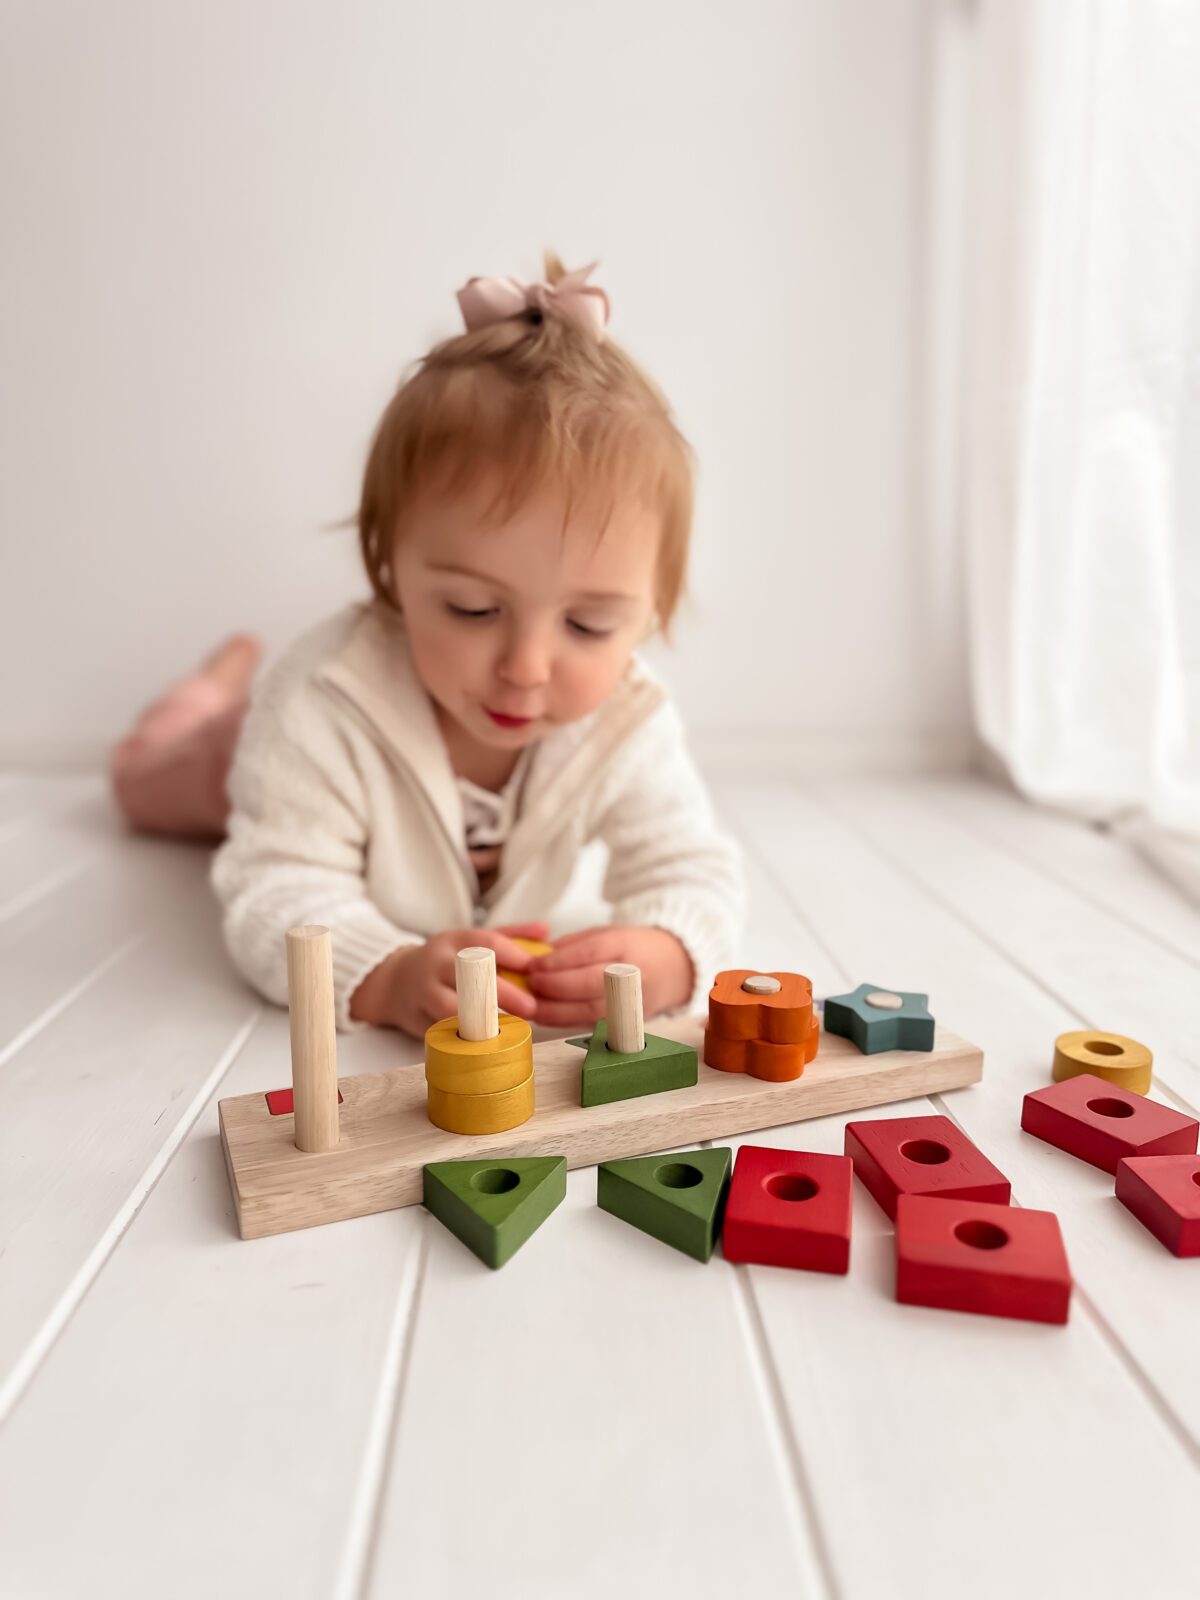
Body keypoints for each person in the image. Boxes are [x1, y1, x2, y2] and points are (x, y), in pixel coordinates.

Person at [109, 253, 745, 1038]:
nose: (526, 667)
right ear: (390, 570)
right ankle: (207, 698)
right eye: (474, 609)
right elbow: (275, 885)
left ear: (650, 610)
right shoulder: (321, 700)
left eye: (587, 625)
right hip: (249, 763)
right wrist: (385, 974)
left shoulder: (628, 720)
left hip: (304, 777)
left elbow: (692, 866)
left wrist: (670, 951)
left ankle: (219, 691)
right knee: (147, 778)